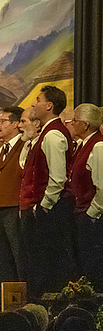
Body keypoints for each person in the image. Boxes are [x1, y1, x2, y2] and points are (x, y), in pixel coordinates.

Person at [21, 85, 73, 300]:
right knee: (39, 262)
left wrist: (44, 206)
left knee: (47, 263)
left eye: (38, 99)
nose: (34, 103)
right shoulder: (46, 134)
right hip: (43, 208)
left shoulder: (53, 135)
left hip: (49, 211)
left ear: (49, 106)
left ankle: (47, 308)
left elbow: (58, 177)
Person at [0, 106, 26, 301]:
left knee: (18, 258)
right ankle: (3, 303)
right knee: (1, 260)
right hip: (0, 209)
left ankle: (22, 303)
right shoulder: (2, 149)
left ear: (15, 124)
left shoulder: (23, 145)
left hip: (14, 208)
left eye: (3, 121)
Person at [66, 104, 103, 289]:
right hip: (81, 212)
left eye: (75, 121)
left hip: (92, 217)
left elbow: (102, 186)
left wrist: (92, 213)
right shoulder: (82, 145)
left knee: (94, 265)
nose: (72, 124)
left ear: (85, 125)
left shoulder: (98, 146)